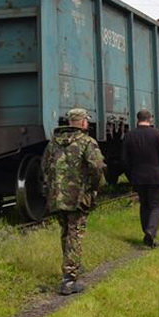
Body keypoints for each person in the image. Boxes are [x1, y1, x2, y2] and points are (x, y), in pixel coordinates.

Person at [41, 108, 106, 295]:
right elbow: (97, 167)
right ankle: (69, 280)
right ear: (83, 123)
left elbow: (44, 166)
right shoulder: (87, 142)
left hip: (57, 197)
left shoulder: (53, 143)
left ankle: (71, 265)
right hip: (78, 198)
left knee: (66, 232)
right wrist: (94, 188)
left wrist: (51, 189)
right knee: (75, 234)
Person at [122, 109, 159, 248]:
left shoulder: (129, 135)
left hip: (138, 178)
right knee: (156, 206)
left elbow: (124, 160)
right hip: (156, 177)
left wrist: (131, 176)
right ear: (150, 119)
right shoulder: (157, 134)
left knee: (144, 205)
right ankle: (150, 232)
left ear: (137, 119)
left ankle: (146, 231)